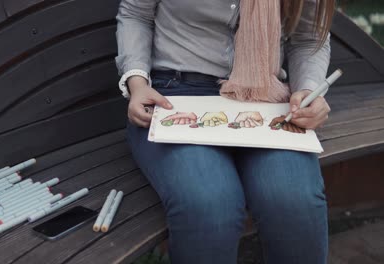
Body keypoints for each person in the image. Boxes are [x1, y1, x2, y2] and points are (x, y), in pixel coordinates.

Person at [115, 0, 334, 263]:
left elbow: (308, 38)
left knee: (294, 201)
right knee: (211, 205)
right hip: (174, 96)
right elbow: (135, 14)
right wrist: (137, 83)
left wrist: (309, 90)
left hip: (264, 99)